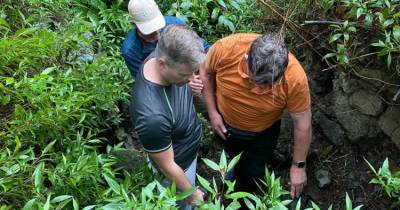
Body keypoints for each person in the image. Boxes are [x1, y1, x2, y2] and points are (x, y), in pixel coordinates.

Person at [200, 32, 312, 199]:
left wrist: (298, 166)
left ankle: (245, 188)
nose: (260, 90)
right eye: (254, 81)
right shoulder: (226, 49)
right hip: (225, 125)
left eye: (269, 85)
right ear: (246, 59)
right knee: (234, 157)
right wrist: (212, 112)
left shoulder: (294, 78)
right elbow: (207, 73)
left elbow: (302, 123)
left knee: (253, 173)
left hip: (264, 133)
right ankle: (237, 173)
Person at [130, 25, 205, 209]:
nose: (190, 79)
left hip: (186, 151)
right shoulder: (152, 117)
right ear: (162, 63)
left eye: (193, 72)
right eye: (185, 74)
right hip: (179, 169)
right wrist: (192, 193)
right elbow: (167, 166)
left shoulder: (159, 56)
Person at [121, 0, 210, 95]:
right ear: (133, 24)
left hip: (194, 68)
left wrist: (202, 71)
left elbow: (204, 48)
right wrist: (186, 84)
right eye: (150, 31)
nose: (157, 36)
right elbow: (145, 81)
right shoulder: (131, 50)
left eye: (158, 28)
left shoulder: (174, 24)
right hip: (171, 82)